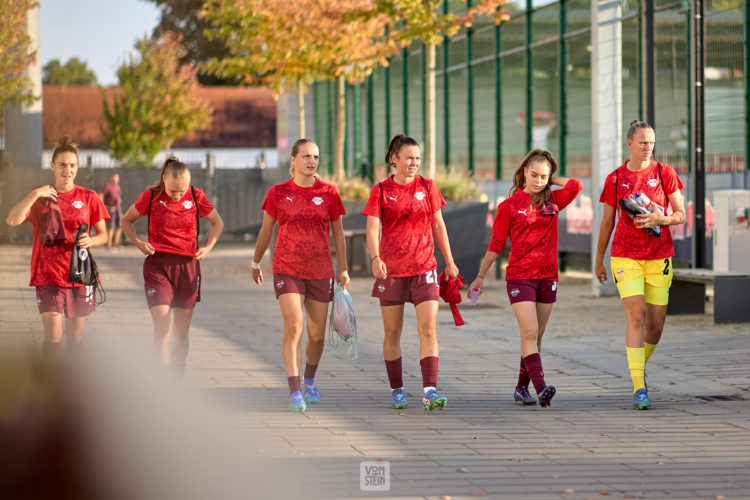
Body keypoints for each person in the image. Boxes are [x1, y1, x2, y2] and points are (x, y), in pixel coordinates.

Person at [468, 149, 582, 408]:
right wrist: (480, 276)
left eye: (544, 176)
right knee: (529, 331)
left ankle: (521, 388)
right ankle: (541, 388)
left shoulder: (553, 201)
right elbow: (496, 243)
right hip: (520, 277)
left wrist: (551, 180)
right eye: (534, 175)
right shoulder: (508, 206)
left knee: (536, 336)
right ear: (523, 173)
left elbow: (576, 185)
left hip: (548, 276)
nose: (539, 180)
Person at [251, 139, 349, 412]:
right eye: (306, 155)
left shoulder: (329, 192)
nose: (312, 160)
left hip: (320, 270)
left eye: (316, 156)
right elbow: (266, 230)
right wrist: (256, 262)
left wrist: (343, 268)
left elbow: (338, 232)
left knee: (316, 335)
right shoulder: (278, 192)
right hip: (287, 268)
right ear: (292, 160)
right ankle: (295, 390)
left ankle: (309, 379)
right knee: (295, 325)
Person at [364, 134, 459, 411]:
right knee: (392, 332)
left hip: (425, 267)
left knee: (428, 328)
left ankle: (430, 390)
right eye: (408, 157)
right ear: (394, 159)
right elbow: (372, 229)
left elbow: (439, 226)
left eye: (417, 158)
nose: (414, 163)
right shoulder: (380, 190)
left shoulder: (428, 187)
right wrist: (375, 258)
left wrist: (449, 262)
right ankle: (397, 390)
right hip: (391, 270)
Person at [594, 120, 685, 410]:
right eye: (643, 142)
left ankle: (638, 365)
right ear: (630, 144)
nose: (648, 147)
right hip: (625, 255)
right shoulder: (615, 178)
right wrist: (599, 259)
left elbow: (681, 213)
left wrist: (662, 219)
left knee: (656, 325)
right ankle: (638, 387)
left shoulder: (664, 173)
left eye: (652, 142)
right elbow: (607, 222)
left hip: (659, 256)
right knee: (637, 315)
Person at [5, 136, 109, 355]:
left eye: (72, 165)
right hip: (48, 274)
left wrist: (90, 240)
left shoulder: (89, 197)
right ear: (52, 166)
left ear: (77, 168)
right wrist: (34, 194)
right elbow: (12, 220)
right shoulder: (41, 196)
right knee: (53, 337)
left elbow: (103, 235)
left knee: (75, 338)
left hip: (79, 274)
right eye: (62, 165)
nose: (67, 170)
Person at [121, 157, 224, 378]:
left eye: (182, 191)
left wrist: (207, 248)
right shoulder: (151, 196)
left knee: (181, 333)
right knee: (163, 328)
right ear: (164, 180)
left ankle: (176, 380)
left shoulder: (197, 196)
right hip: (158, 266)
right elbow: (126, 220)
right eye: (173, 191)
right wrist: (138, 242)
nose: (177, 195)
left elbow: (218, 222)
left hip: (188, 267)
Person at [100, 173, 123, 249]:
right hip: (110, 209)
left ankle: (116, 242)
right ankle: (109, 243)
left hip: (117, 209)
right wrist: (103, 206)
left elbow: (118, 197)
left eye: (117, 179)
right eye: (114, 178)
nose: (115, 180)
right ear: (111, 178)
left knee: (119, 225)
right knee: (111, 226)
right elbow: (101, 195)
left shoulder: (118, 187)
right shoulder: (108, 186)